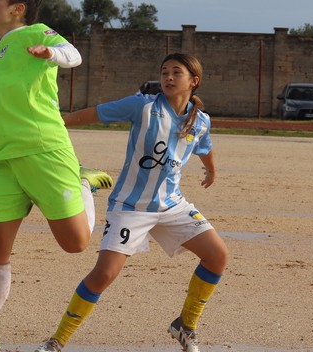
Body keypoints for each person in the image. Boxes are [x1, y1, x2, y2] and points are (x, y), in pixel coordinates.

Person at [0, 0, 113, 352]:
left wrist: (50, 53)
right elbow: (6, 109)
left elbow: (73, 56)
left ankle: (82, 184)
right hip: (1, 160)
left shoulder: (35, 33)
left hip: (44, 150)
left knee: (75, 244)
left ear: (17, 8)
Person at [34, 53, 229, 352]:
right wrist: (56, 123)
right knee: (104, 275)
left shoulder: (200, 121)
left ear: (194, 81)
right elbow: (96, 113)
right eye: (164, 71)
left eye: (177, 72)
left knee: (217, 256)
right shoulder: (144, 106)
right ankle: (56, 341)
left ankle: (185, 326)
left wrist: (211, 169)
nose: (168, 77)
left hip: (171, 205)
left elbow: (205, 147)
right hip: (130, 207)